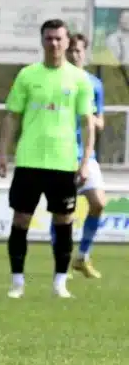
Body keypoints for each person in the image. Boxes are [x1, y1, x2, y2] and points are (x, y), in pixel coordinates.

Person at [0, 19, 95, 299]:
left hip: (63, 162)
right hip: (29, 161)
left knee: (64, 222)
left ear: (67, 42)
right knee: (21, 221)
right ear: (42, 41)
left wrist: (85, 160)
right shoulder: (27, 75)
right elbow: (12, 116)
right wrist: (2, 153)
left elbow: (88, 122)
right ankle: (17, 283)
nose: (54, 43)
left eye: (59, 39)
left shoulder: (79, 79)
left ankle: (60, 283)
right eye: (49, 38)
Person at [63, 33, 106, 280]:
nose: (74, 55)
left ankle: (82, 257)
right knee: (64, 212)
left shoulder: (94, 84)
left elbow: (100, 119)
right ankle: (63, 260)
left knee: (98, 203)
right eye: (71, 51)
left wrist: (92, 121)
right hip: (62, 154)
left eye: (78, 51)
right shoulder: (59, 81)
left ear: (85, 53)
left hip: (86, 155)